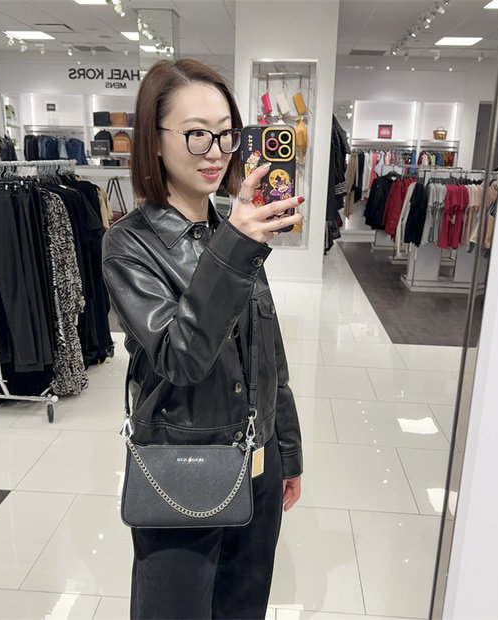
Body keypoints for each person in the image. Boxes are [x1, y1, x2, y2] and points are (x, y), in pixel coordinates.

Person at [102, 58, 303, 620]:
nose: (216, 151)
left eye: (226, 133)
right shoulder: (128, 245)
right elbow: (181, 357)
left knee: (243, 607)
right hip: (182, 465)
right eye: (196, 134)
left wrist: (286, 448)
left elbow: (267, 350)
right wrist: (235, 245)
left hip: (257, 459)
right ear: (155, 140)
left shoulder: (232, 228)